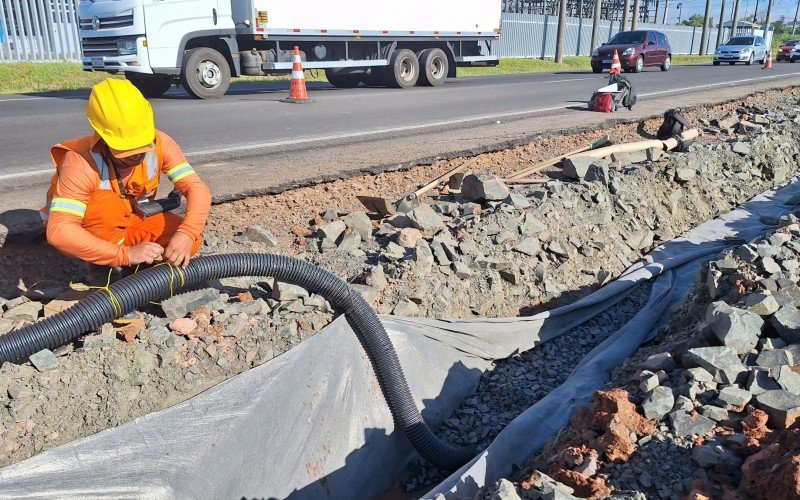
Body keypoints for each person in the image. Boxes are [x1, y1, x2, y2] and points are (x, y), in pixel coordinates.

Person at [42, 79, 211, 269]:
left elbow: (195, 187)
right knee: (104, 205)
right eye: (126, 151)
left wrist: (187, 233)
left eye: (141, 146)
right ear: (103, 137)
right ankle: (103, 268)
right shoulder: (80, 162)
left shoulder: (161, 143)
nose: (136, 156)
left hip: (129, 217)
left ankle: (142, 272)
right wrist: (125, 255)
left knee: (188, 242)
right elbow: (60, 231)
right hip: (88, 229)